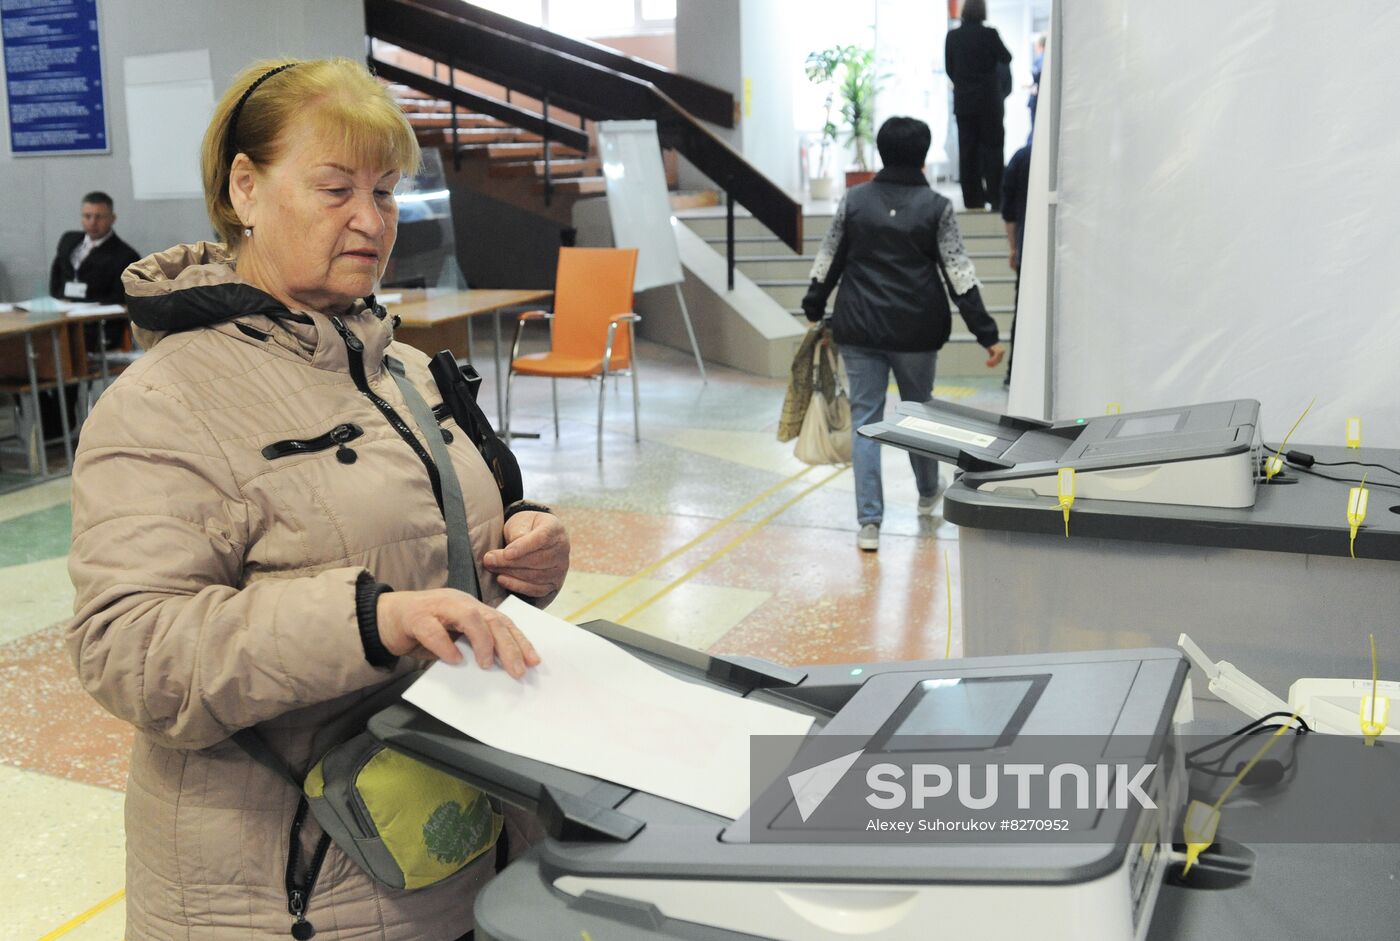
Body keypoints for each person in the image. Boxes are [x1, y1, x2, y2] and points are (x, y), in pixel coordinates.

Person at [65, 58, 570, 939]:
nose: (371, 221)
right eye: (336, 188)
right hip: (287, 895)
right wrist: (369, 620)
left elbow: (447, 553)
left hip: (454, 854)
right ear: (246, 189)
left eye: (385, 190)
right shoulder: (163, 402)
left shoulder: (406, 369)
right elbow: (130, 650)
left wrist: (530, 549)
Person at [801, 116, 1005, 552]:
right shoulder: (936, 207)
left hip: (857, 326)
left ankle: (869, 523)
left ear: (881, 150)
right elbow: (959, 274)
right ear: (924, 154)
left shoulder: (854, 201)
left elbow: (828, 257)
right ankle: (927, 493)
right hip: (916, 329)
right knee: (919, 418)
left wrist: (814, 304)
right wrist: (986, 333)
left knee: (865, 422)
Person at [49, 190, 140, 350]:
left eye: (99, 217)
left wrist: (81, 303)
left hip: (96, 323)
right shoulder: (69, 240)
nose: (92, 222)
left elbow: (119, 298)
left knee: (61, 341)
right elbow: (56, 275)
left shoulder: (125, 255)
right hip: (63, 312)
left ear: (112, 219)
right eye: (87, 216)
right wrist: (60, 298)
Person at [944, 0, 1012, 211]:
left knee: (968, 151)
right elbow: (1006, 57)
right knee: (993, 148)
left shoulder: (953, 36)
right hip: (989, 102)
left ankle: (972, 199)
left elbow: (949, 68)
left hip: (965, 102)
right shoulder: (990, 34)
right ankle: (995, 196)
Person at [1001, 135, 1032, 386]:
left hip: (1028, 248)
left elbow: (1009, 210)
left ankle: (1015, 373)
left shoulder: (1022, 157)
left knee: (1022, 312)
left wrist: (1013, 248)